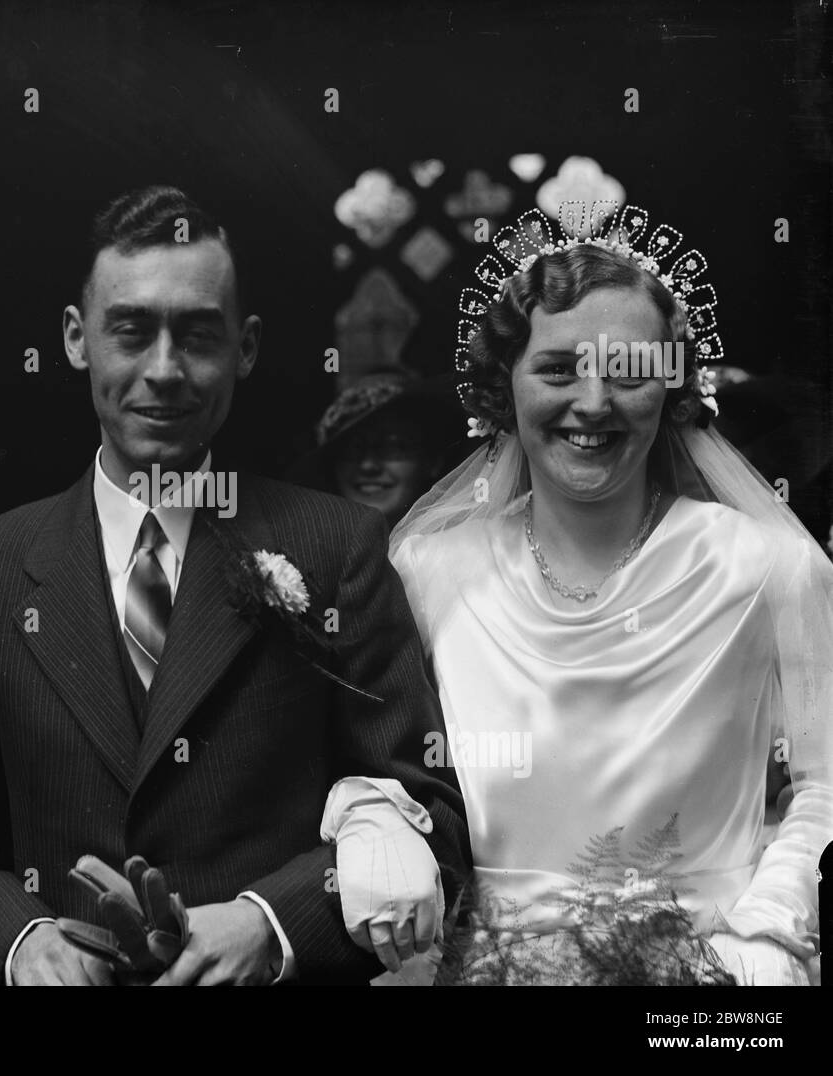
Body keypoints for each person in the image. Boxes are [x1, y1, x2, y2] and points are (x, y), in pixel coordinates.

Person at [0, 185, 469, 986]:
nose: (163, 370)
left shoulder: (335, 546)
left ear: (246, 347)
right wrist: (22, 943)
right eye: (131, 330)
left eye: (197, 335)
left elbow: (426, 813)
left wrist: (272, 925)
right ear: (78, 340)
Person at [339, 203, 832, 985]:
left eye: (629, 371)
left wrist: (770, 929)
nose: (594, 403)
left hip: (704, 983)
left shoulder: (765, 566)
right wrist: (367, 808)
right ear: (506, 384)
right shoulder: (427, 572)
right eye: (560, 368)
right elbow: (375, 756)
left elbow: (826, 781)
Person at [287, 372, 463, 529]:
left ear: (432, 460)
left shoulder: (459, 550)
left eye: (392, 447)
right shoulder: (308, 552)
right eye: (353, 448)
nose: (368, 465)